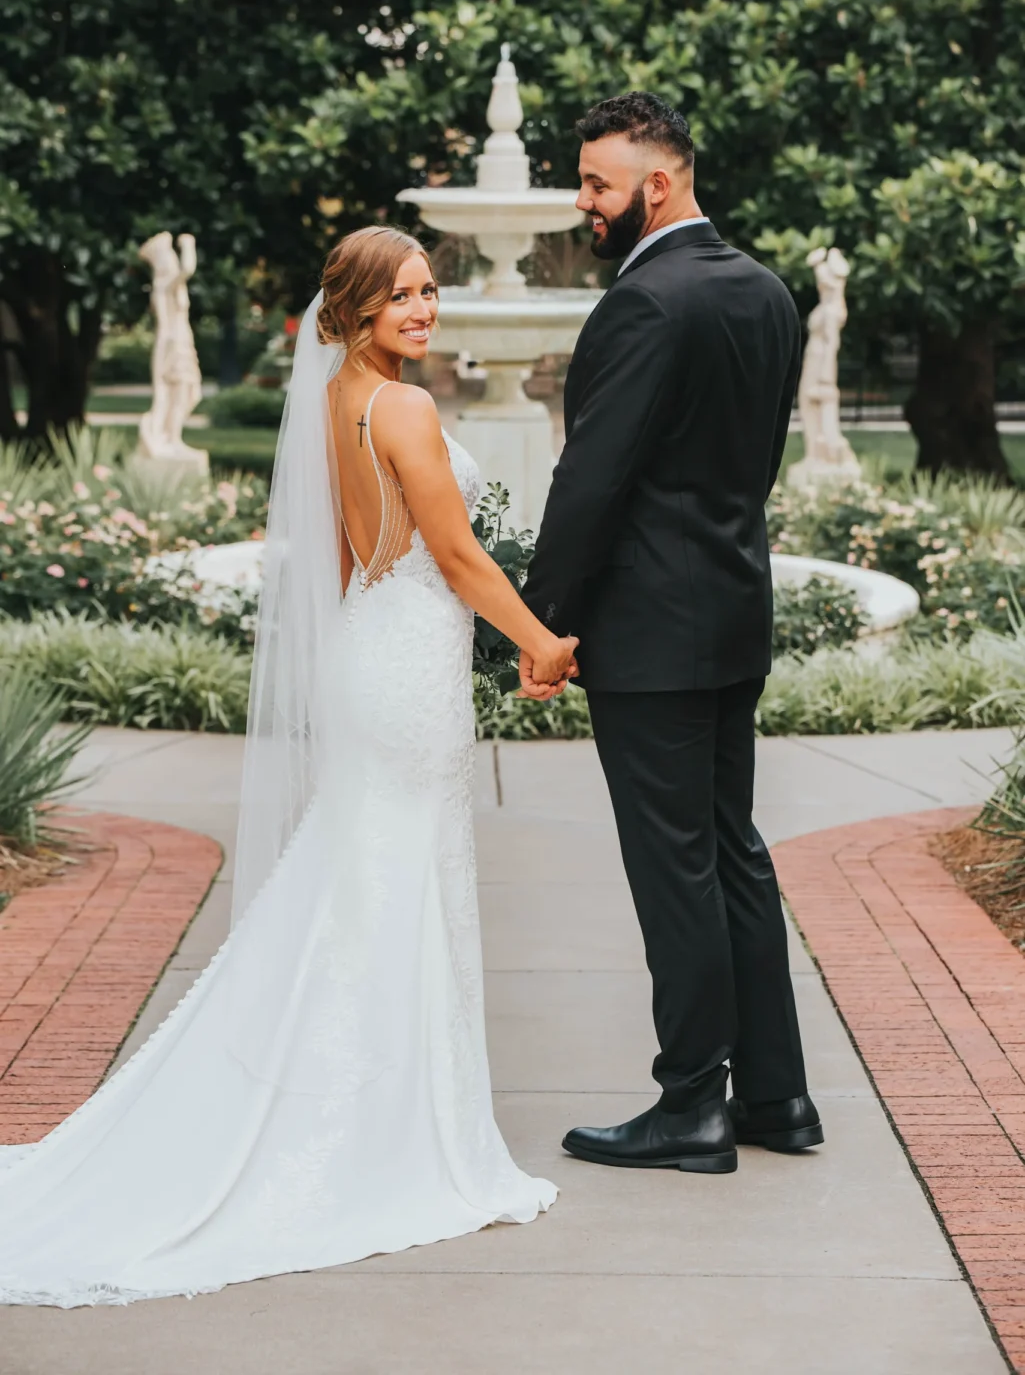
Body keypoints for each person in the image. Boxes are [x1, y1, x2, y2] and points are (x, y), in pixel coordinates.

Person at [0, 226, 576, 1306]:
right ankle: (391, 1123)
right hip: (405, 664)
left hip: (373, 647)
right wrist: (539, 640)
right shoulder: (401, 407)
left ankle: (371, 1096)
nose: (424, 309)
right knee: (394, 878)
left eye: (429, 289)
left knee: (363, 878)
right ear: (354, 309)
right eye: (400, 296)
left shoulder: (332, 402)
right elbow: (452, 555)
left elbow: (358, 547)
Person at [520, 92, 823, 1173]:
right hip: (731, 614)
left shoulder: (644, 304)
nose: (583, 203)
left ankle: (691, 1102)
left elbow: (591, 481)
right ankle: (776, 1100)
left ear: (657, 183)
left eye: (597, 184)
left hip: (649, 633)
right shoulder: (763, 292)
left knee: (675, 868)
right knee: (731, 853)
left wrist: (533, 622)